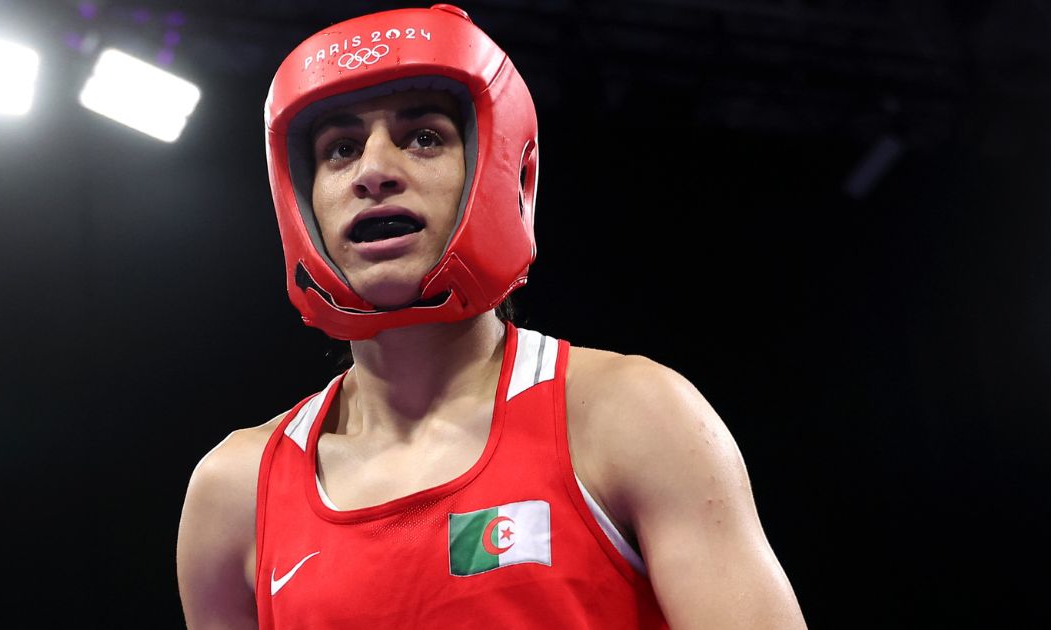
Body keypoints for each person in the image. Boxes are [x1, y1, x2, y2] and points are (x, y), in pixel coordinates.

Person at [177, 4, 808, 628]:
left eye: (423, 137)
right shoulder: (235, 492)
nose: (372, 172)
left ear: (504, 169)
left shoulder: (629, 417)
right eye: (340, 149)